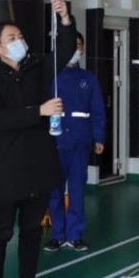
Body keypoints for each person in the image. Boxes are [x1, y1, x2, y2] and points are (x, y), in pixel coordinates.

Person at [0, 0, 76, 278]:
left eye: (20, 36)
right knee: (1, 233)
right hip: (8, 168)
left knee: (32, 231)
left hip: (39, 164)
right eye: (12, 38)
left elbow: (64, 51)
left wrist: (65, 20)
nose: (19, 41)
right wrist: (39, 111)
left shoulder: (36, 67)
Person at [44, 32, 105, 252]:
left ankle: (75, 234)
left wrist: (98, 136)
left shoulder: (88, 78)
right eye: (70, 45)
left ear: (83, 49)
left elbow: (97, 109)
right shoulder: (50, 76)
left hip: (80, 138)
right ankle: (57, 234)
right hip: (55, 139)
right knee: (55, 190)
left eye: (78, 45)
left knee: (77, 188)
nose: (74, 49)